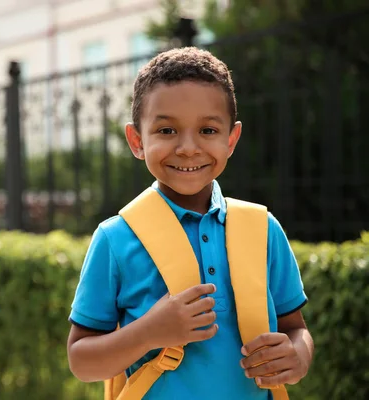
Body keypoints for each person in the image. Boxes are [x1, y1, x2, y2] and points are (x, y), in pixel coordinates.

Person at [66, 47, 314, 399]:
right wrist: (149, 332)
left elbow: (295, 329)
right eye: (166, 130)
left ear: (231, 139)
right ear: (137, 140)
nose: (188, 148)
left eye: (208, 130)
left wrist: (298, 355)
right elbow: (81, 360)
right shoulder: (115, 238)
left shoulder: (264, 230)